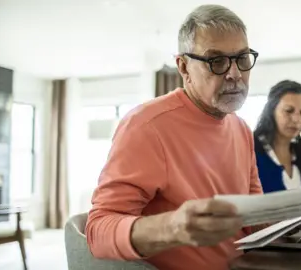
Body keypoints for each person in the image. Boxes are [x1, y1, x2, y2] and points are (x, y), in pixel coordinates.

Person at [85, 5, 266, 270]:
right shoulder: (146, 126)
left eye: (242, 58)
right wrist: (172, 227)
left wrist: (294, 218)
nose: (234, 73)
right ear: (184, 67)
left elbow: (254, 215)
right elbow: (98, 232)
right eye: (216, 61)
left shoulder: (241, 130)